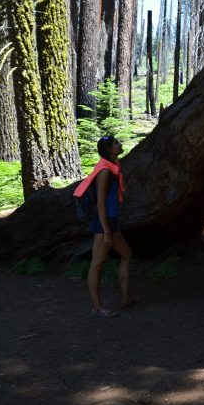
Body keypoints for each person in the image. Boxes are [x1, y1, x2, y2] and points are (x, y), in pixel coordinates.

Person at [74, 136, 136, 318]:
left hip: (110, 222)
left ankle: (125, 299)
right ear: (110, 150)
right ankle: (98, 307)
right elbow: (100, 204)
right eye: (116, 143)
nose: (120, 144)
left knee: (127, 255)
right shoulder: (105, 172)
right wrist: (107, 231)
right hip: (103, 224)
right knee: (97, 265)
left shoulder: (110, 168)